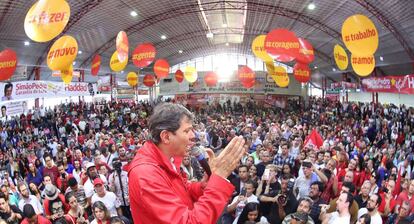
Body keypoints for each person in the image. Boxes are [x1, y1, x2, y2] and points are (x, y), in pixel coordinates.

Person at [128, 103, 246, 223]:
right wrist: (219, 179)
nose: (193, 136)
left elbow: (180, 191)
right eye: (187, 131)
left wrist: (202, 186)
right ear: (166, 137)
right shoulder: (146, 174)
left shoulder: (168, 159)